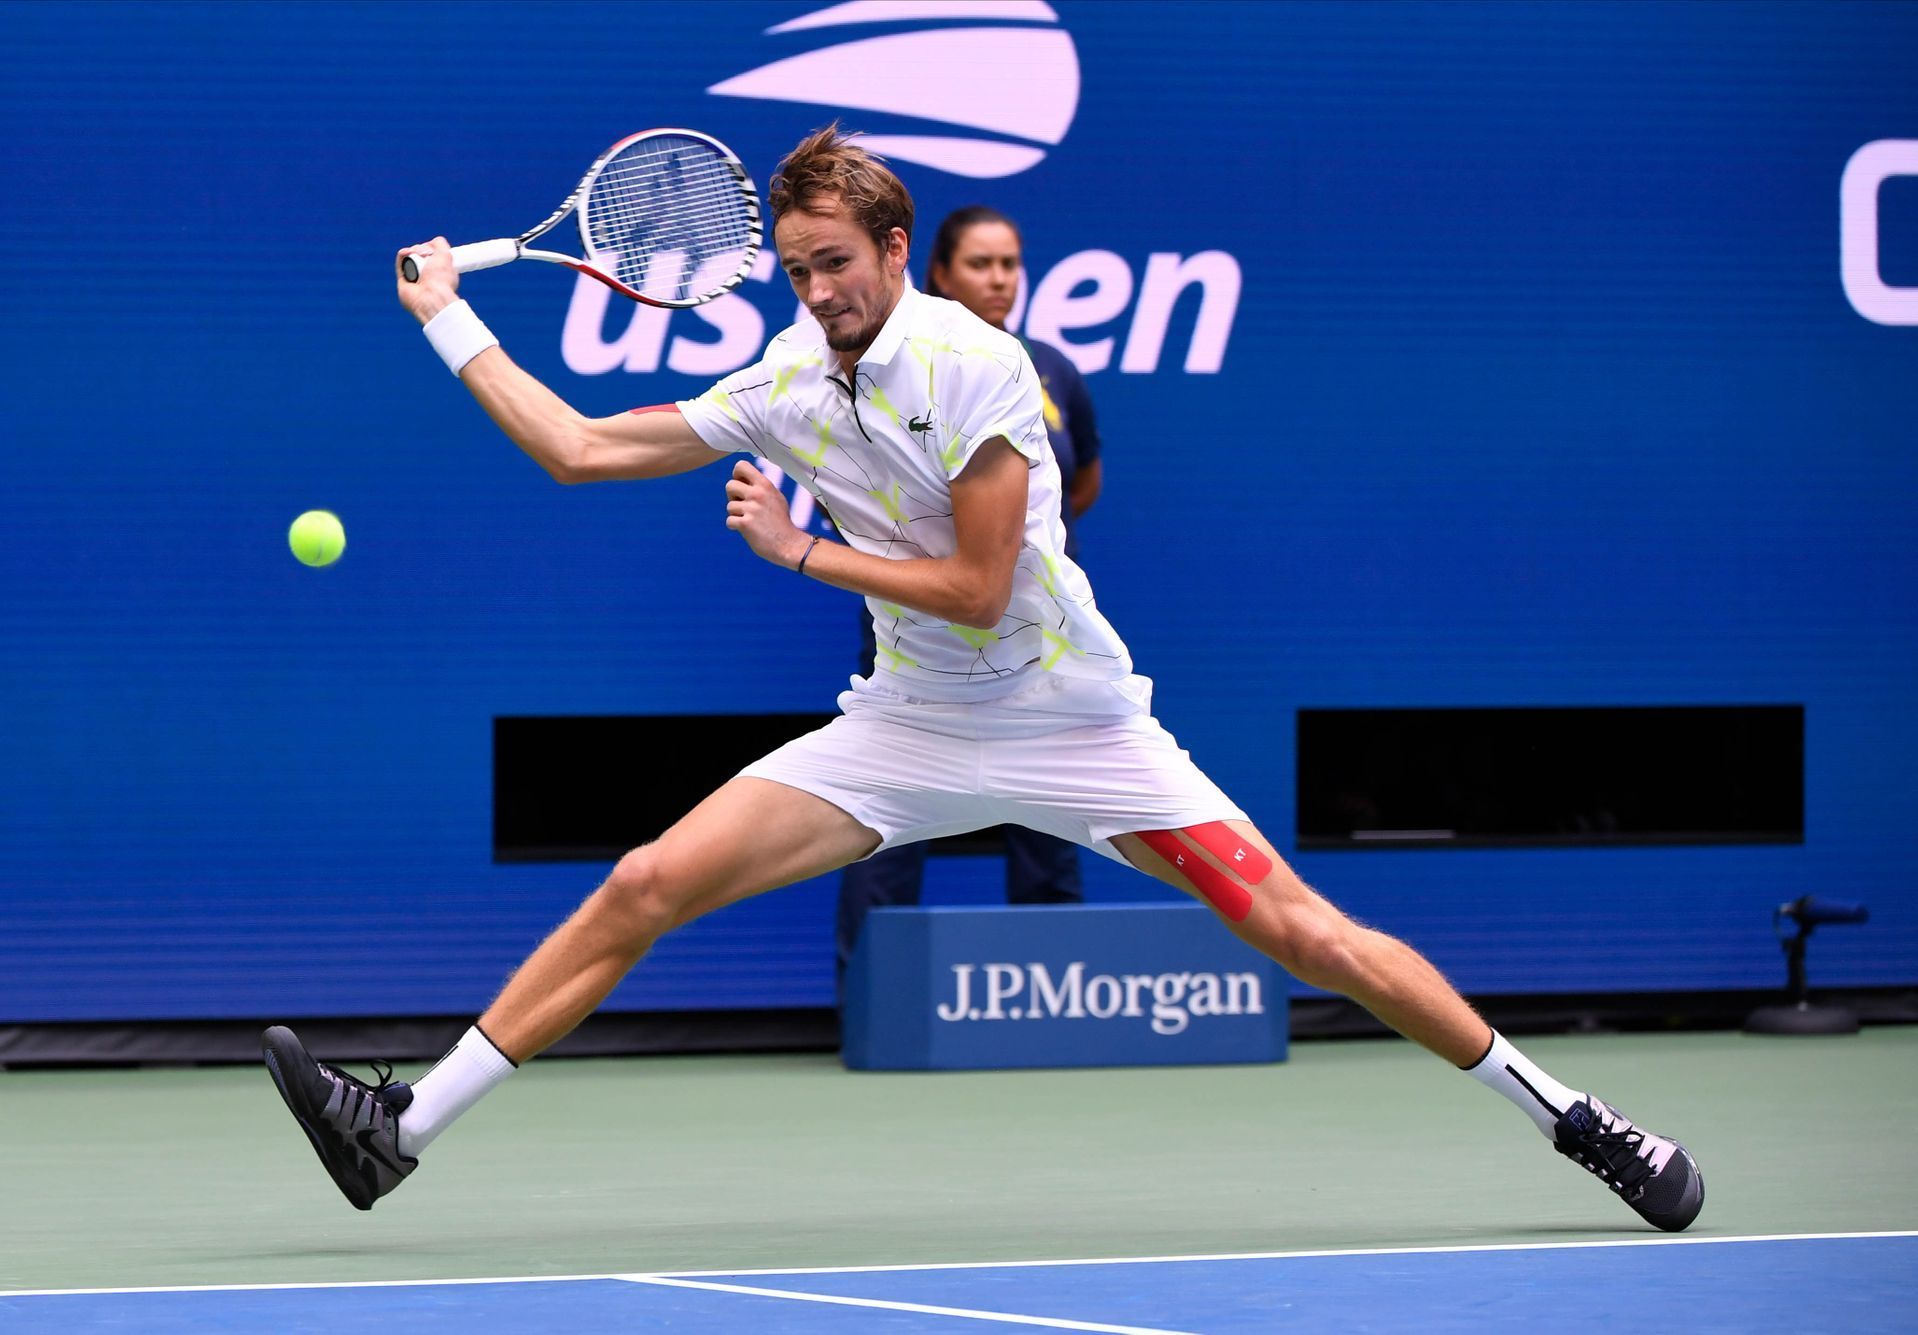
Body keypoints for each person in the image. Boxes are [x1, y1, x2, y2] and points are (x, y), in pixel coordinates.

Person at [260, 126, 1704, 1232]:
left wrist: (800, 553)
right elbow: (580, 449)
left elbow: (977, 585)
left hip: (1071, 724)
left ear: (895, 251)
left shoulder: (980, 369)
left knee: (1302, 931)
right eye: (796, 268)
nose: (816, 290)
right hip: (906, 726)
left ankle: (1574, 1117)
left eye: (836, 263)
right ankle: (399, 1132)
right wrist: (447, 320)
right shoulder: (788, 379)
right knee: (646, 880)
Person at [834, 205, 1103, 984]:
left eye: (1009, 263)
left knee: (1051, 819)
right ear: (939, 273)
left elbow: (1079, 481)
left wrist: (1006, 548)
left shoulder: (1051, 368)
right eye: (980, 264)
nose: (999, 279)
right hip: (919, 633)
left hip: (1038, 640)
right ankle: (871, 1005)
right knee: (890, 819)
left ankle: (1056, 1003)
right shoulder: (893, 367)